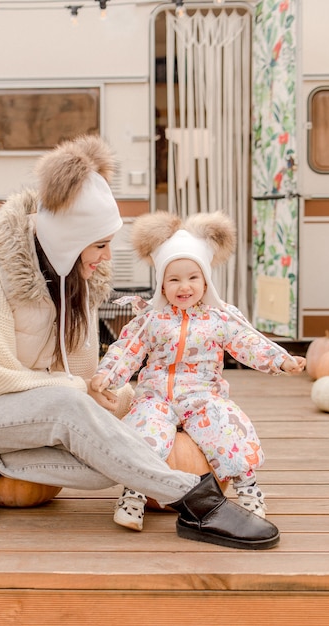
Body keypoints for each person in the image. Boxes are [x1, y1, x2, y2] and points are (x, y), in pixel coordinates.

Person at [0, 135, 280, 551]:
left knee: (109, 460)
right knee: (75, 411)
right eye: (99, 244)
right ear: (67, 241)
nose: (108, 256)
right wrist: (78, 394)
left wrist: (134, 398)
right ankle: (197, 501)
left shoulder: (75, 283)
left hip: (26, 408)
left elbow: (84, 377)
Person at [91, 211, 306, 532]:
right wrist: (107, 376)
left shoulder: (220, 318)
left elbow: (249, 341)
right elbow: (127, 350)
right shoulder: (152, 319)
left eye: (192, 277)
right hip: (157, 396)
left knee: (230, 429)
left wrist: (281, 360)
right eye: (174, 278)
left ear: (205, 280)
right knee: (141, 433)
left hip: (203, 395)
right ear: (162, 283)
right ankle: (133, 495)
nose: (184, 286)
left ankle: (248, 492)